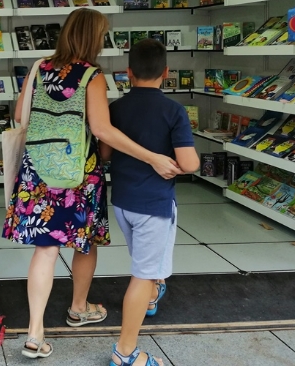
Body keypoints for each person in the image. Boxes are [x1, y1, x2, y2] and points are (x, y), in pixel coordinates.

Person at [2, 10, 181, 360]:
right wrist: (152, 157)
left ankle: (35, 333)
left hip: (39, 171)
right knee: (84, 243)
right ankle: (79, 307)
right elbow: (102, 130)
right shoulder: (91, 76)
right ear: (93, 38)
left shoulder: (39, 68)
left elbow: (20, 115)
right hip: (78, 173)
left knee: (45, 248)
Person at [99, 39, 198, 366]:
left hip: (122, 202)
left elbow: (105, 153)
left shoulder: (115, 108)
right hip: (154, 205)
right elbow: (190, 163)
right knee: (142, 274)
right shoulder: (174, 111)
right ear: (166, 73)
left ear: (128, 73)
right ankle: (125, 352)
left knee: (146, 262)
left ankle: (152, 296)